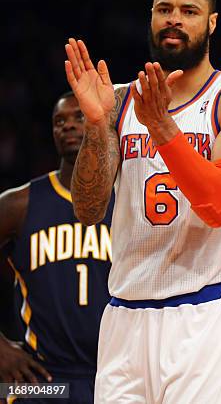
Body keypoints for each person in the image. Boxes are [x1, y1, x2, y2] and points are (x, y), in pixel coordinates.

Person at [64, 0, 221, 403]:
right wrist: (97, 126)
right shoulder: (119, 102)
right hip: (125, 315)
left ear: (212, 23)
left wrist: (160, 127)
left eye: (189, 11)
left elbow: (219, 206)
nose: (174, 19)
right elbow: (86, 209)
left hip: (204, 313)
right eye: (164, 10)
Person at [0, 92, 113, 403]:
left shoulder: (127, 204)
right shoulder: (18, 204)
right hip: (40, 376)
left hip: (113, 374)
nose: (68, 126)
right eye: (59, 121)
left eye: (79, 117)